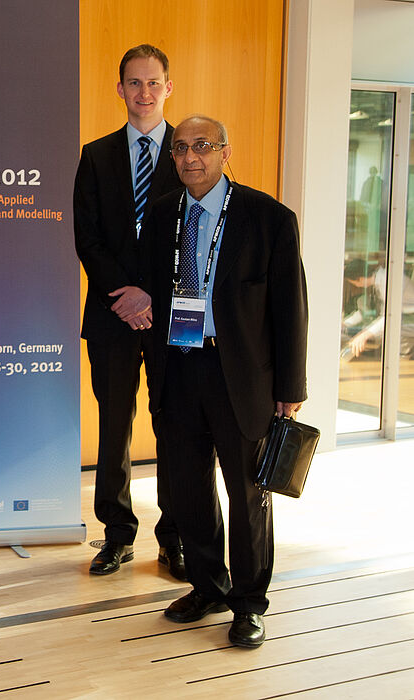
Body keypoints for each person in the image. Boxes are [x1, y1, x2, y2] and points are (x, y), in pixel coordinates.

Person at [142, 115, 308, 648]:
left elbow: (290, 310)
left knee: (249, 494)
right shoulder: (163, 213)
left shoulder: (269, 219)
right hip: (179, 369)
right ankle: (209, 586)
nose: (191, 157)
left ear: (224, 152)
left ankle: (249, 603)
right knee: (188, 489)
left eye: (203, 146)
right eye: (182, 148)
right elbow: (155, 290)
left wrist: (291, 388)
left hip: (242, 377)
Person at [72, 44, 185, 579]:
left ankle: (176, 536)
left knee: (175, 426)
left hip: (172, 319)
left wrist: (152, 298)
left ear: (168, 87)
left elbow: (196, 238)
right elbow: (87, 238)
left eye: (153, 83)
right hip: (112, 315)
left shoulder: (190, 153)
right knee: (114, 427)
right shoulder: (95, 155)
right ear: (119, 89)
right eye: (134, 83)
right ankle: (117, 535)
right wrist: (126, 293)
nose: (144, 93)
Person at [342, 258, 414, 359]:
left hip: (408, 320)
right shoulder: (378, 281)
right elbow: (367, 312)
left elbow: (390, 316)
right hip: (404, 321)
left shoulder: (388, 281)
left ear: (360, 279)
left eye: (353, 283)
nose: (356, 286)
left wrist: (365, 335)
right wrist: (345, 323)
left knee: (384, 331)